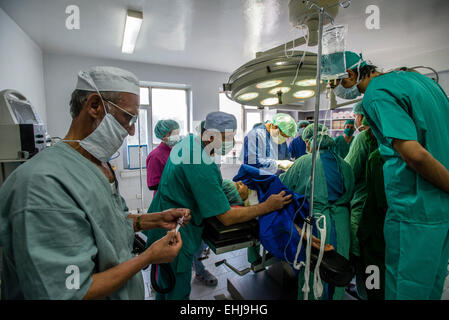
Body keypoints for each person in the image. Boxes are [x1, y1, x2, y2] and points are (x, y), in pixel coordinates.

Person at [0, 66, 192, 300]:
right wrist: (148, 257)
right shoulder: (43, 184)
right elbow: (69, 291)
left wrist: (154, 219)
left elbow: (108, 222)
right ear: (94, 106)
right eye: (128, 118)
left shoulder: (98, 165)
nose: (132, 131)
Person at [330, 50, 449, 300]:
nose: (335, 91)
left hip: (414, 210)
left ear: (350, 74)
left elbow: (414, 154)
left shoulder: (376, 93)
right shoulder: (424, 82)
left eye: (335, 83)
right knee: (431, 287)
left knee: (405, 288)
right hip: (440, 210)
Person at [144, 111, 293, 300]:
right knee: (176, 292)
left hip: (164, 223)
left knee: (165, 286)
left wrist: (226, 186)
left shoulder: (189, 143)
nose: (230, 143)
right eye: (228, 138)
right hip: (177, 231)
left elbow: (200, 184)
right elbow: (226, 216)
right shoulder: (200, 162)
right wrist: (268, 206)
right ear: (211, 134)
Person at [279, 124, 355, 300]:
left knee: (313, 270)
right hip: (342, 223)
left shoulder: (305, 162)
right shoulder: (345, 165)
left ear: (308, 142)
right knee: (337, 268)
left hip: (314, 221)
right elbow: (350, 193)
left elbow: (285, 187)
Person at [344, 102, 378, 299]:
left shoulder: (363, 138)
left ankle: (364, 293)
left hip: (362, 209)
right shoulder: (387, 137)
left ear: (361, 117)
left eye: (355, 116)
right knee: (375, 259)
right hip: (383, 211)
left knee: (362, 258)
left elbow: (348, 174)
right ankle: (372, 290)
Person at [357, 148, 387, 300]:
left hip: (376, 232)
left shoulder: (378, 158)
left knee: (374, 281)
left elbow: (382, 202)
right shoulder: (379, 157)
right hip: (378, 230)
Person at [146, 119, 180, 194]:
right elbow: (152, 185)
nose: (177, 137)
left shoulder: (173, 152)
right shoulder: (155, 156)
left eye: (178, 134)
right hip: (164, 199)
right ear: (164, 135)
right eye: (175, 134)